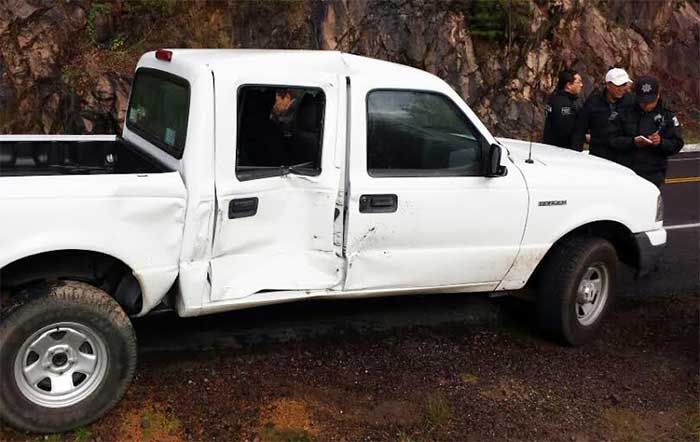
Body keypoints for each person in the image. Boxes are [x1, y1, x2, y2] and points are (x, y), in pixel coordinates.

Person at [609, 75, 684, 188]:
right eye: (642, 102)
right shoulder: (624, 112)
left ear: (658, 95)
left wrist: (660, 142)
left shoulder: (666, 115)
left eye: (650, 101)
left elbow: (677, 143)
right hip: (627, 172)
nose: (646, 105)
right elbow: (612, 140)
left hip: (653, 173)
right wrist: (632, 142)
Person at [572, 68, 635, 159]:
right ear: (608, 85)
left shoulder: (631, 101)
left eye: (624, 85)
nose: (622, 88)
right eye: (618, 85)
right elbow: (580, 130)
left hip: (624, 156)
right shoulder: (593, 102)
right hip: (599, 155)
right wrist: (575, 155)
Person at [542, 69, 584, 149]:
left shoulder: (554, 99)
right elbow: (566, 130)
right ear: (568, 85)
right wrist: (583, 137)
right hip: (561, 151)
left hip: (549, 147)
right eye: (578, 82)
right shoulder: (564, 105)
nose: (581, 85)